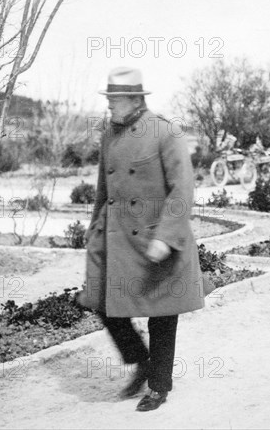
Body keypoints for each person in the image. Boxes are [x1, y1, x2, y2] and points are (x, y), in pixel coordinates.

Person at [77, 67, 209, 411]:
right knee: (102, 301)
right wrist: (94, 229)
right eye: (107, 100)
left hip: (157, 236)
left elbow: (182, 189)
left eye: (114, 100)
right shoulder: (109, 134)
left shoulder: (165, 132)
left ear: (135, 99)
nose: (108, 107)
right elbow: (103, 190)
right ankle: (141, 359)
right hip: (118, 237)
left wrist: (166, 237)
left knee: (162, 313)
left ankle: (158, 385)